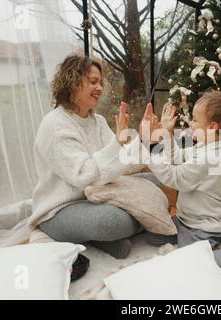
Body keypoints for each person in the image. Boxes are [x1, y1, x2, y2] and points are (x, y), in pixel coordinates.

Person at [28, 53, 157, 264]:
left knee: (154, 183)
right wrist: (118, 143)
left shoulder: (97, 121)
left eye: (100, 83)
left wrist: (144, 140)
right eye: (93, 82)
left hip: (97, 197)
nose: (99, 88)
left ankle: (99, 238)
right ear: (72, 81)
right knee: (113, 222)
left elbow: (122, 166)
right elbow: (85, 176)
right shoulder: (54, 125)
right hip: (61, 210)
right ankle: (105, 232)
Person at [140, 91, 221, 272]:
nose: (190, 124)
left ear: (212, 127)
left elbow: (174, 177)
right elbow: (177, 158)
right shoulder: (204, 147)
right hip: (186, 219)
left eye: (194, 120)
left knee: (190, 263)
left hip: (203, 226)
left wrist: (148, 150)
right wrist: (167, 133)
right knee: (153, 237)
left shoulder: (209, 157)